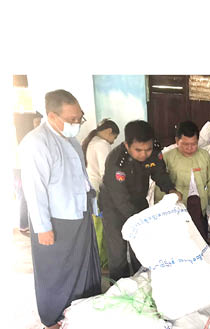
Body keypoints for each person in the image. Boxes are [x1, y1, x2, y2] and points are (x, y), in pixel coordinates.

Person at [20, 90, 101, 329]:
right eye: (72, 119)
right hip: (56, 221)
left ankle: (82, 309)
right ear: (52, 116)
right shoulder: (36, 143)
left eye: (79, 118)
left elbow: (83, 179)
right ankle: (54, 318)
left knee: (83, 266)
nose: (77, 124)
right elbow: (34, 191)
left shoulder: (71, 141)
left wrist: (93, 205)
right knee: (56, 273)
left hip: (79, 215)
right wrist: (43, 228)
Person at [99, 120, 182, 282]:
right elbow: (120, 198)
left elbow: (159, 173)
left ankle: (142, 282)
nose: (144, 154)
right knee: (118, 250)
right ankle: (119, 287)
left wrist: (171, 189)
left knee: (141, 245)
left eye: (148, 149)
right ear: (126, 145)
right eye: (138, 150)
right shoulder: (117, 161)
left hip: (138, 200)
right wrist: (138, 220)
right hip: (113, 206)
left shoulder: (155, 151)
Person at [155, 121, 210, 241]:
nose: (190, 148)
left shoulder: (204, 155)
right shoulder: (167, 157)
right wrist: (160, 207)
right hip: (178, 205)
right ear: (176, 141)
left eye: (194, 144)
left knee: (200, 238)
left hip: (199, 203)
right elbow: (161, 185)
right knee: (181, 239)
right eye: (185, 144)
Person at [82, 119, 120, 269]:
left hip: (90, 189)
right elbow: (107, 172)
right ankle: (102, 263)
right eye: (114, 138)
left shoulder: (91, 141)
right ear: (109, 131)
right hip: (99, 190)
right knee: (101, 229)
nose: (112, 142)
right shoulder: (102, 144)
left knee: (96, 227)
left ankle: (96, 261)